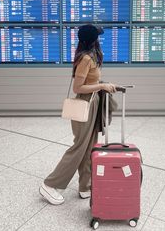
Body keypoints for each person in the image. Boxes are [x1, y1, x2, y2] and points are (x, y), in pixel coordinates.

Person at [39, 24, 116, 205]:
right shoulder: (86, 59)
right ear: (92, 40)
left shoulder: (92, 57)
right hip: (84, 103)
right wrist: (101, 86)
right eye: (97, 37)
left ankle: (85, 186)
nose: (99, 40)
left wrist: (103, 84)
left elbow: (92, 80)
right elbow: (77, 88)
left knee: (90, 147)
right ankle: (49, 185)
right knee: (79, 147)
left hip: (93, 103)